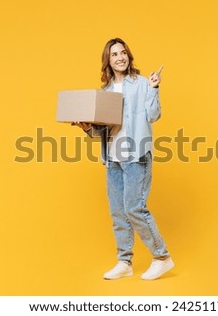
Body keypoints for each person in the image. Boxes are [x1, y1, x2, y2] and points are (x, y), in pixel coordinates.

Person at [74, 38, 174, 280]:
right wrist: (86, 127)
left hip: (136, 154)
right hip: (113, 157)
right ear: (107, 61)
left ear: (128, 55)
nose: (120, 57)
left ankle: (162, 258)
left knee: (134, 208)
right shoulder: (105, 92)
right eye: (114, 54)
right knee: (118, 211)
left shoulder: (141, 84)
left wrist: (154, 89)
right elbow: (102, 132)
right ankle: (124, 262)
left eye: (123, 53)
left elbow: (153, 115)